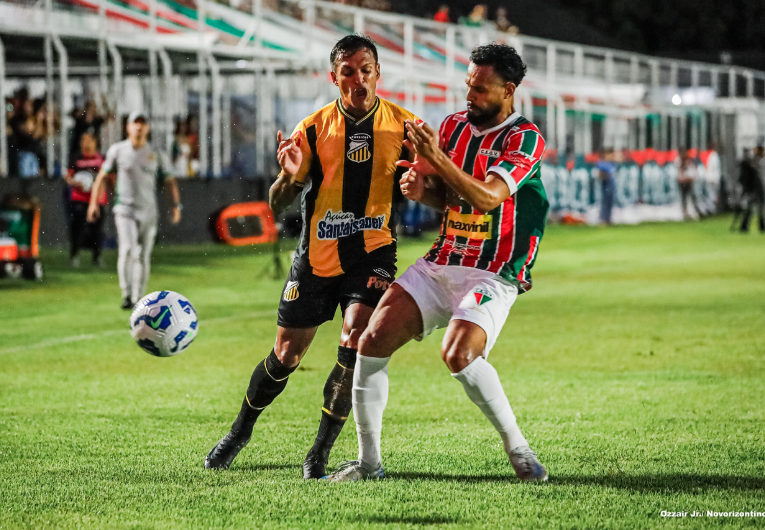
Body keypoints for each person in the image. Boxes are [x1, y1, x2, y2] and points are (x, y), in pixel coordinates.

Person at [326, 43, 549, 482]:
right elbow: (446, 196)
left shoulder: (524, 138)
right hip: (442, 260)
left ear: (508, 90)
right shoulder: (452, 126)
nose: (471, 96)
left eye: (482, 89)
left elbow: (486, 198)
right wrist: (418, 189)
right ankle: (369, 464)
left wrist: (439, 161)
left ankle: (518, 449)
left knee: (459, 355)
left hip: (494, 268)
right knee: (370, 342)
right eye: (468, 85)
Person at [204, 35, 420, 480]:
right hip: (316, 259)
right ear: (334, 75)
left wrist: (425, 184)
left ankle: (318, 455)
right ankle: (240, 432)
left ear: (378, 73)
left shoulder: (405, 127)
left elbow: (435, 182)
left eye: (366, 69)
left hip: (373, 254)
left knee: (355, 341)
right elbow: (277, 202)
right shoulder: (313, 128)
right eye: (348, 71)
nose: (358, 79)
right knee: (286, 355)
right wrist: (287, 175)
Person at [87, 111, 182, 309]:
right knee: (128, 249)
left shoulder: (156, 152)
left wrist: (176, 206)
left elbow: (170, 181)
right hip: (125, 209)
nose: (139, 127)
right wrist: (93, 203)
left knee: (143, 255)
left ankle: (139, 297)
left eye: (142, 123)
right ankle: (126, 294)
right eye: (135, 123)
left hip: (148, 211)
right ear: (128, 127)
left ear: (147, 128)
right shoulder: (118, 150)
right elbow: (102, 176)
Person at [64, 128, 107, 267]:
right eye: (83, 140)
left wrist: (99, 199)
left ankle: (97, 257)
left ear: (95, 142)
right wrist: (75, 182)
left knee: (97, 230)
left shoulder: (101, 159)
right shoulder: (76, 158)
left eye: (88, 140)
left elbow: (106, 179)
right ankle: (74, 255)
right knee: (78, 228)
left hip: (98, 200)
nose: (85, 143)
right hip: (79, 199)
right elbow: (68, 177)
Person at [738, 146, 765, 233]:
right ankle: (746, 225)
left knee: (756, 207)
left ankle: (755, 225)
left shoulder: (755, 162)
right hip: (753, 188)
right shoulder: (751, 163)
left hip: (756, 187)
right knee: (753, 207)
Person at [676, 148, 702, 220]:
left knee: (692, 198)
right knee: (684, 199)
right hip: (682, 183)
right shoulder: (679, 161)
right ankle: (685, 214)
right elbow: (679, 174)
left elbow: (693, 172)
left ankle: (696, 213)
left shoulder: (689, 161)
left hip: (689, 182)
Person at [597, 149, 617, 225]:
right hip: (606, 186)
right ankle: (603, 219)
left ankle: (608, 219)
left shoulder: (612, 164)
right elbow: (600, 175)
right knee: (604, 203)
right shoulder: (602, 163)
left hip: (611, 186)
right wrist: (606, 176)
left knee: (610, 203)